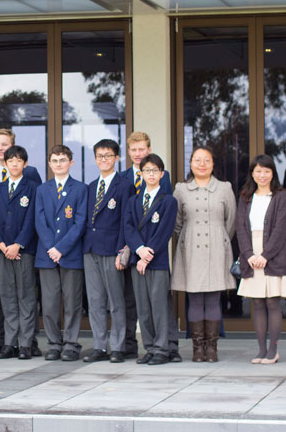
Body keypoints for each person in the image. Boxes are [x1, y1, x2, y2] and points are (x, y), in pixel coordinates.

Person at [171, 146, 237, 363]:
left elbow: (231, 221)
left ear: (213, 164)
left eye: (206, 160)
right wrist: (187, 239)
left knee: (213, 299)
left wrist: (220, 238)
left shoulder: (224, 188)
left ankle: (212, 348)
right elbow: (177, 223)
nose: (202, 164)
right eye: (197, 160)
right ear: (190, 164)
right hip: (190, 249)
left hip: (216, 248)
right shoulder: (181, 189)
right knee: (195, 299)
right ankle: (198, 349)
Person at [120, 131, 180, 362]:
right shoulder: (134, 200)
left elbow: (164, 230)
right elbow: (128, 227)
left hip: (157, 260)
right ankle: (150, 348)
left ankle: (164, 348)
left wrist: (148, 254)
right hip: (137, 259)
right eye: (147, 171)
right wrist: (138, 250)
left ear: (161, 174)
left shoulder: (168, 200)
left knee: (159, 305)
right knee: (142, 307)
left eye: (155, 171)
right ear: (141, 173)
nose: (151, 174)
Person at [0, 128, 42, 355]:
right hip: (2, 251)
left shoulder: (33, 187)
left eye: (18, 161)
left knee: (25, 296)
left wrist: (18, 244)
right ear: (5, 164)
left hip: (23, 251)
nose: (14, 164)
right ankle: (10, 342)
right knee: (7, 296)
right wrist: (0, 244)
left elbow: (31, 220)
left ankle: (26, 343)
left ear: (25, 164)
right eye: (10, 161)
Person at [83, 139, 135, 363]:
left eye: (108, 155)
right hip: (90, 249)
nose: (104, 159)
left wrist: (122, 251)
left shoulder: (124, 186)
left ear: (117, 158)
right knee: (95, 301)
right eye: (100, 156)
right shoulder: (91, 186)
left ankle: (118, 347)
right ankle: (99, 346)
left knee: (116, 302)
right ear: (95, 159)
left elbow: (126, 220)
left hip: (112, 250)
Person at [34, 145, 87, 362]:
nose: (58, 164)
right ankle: (54, 344)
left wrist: (61, 248)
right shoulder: (42, 189)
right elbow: (40, 221)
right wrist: (51, 248)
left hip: (70, 255)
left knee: (73, 303)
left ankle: (71, 344)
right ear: (49, 164)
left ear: (71, 163)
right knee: (50, 304)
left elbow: (80, 222)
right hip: (47, 256)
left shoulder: (81, 189)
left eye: (63, 160)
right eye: (55, 160)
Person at [236, 155, 286, 365]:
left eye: (266, 171)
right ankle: (261, 350)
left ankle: (273, 351)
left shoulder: (281, 196)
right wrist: (249, 254)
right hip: (251, 253)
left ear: (272, 173)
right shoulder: (246, 196)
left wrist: (265, 255)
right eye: (258, 171)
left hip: (273, 252)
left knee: (272, 301)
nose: (262, 175)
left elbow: (281, 229)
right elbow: (240, 227)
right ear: (252, 174)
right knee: (257, 302)